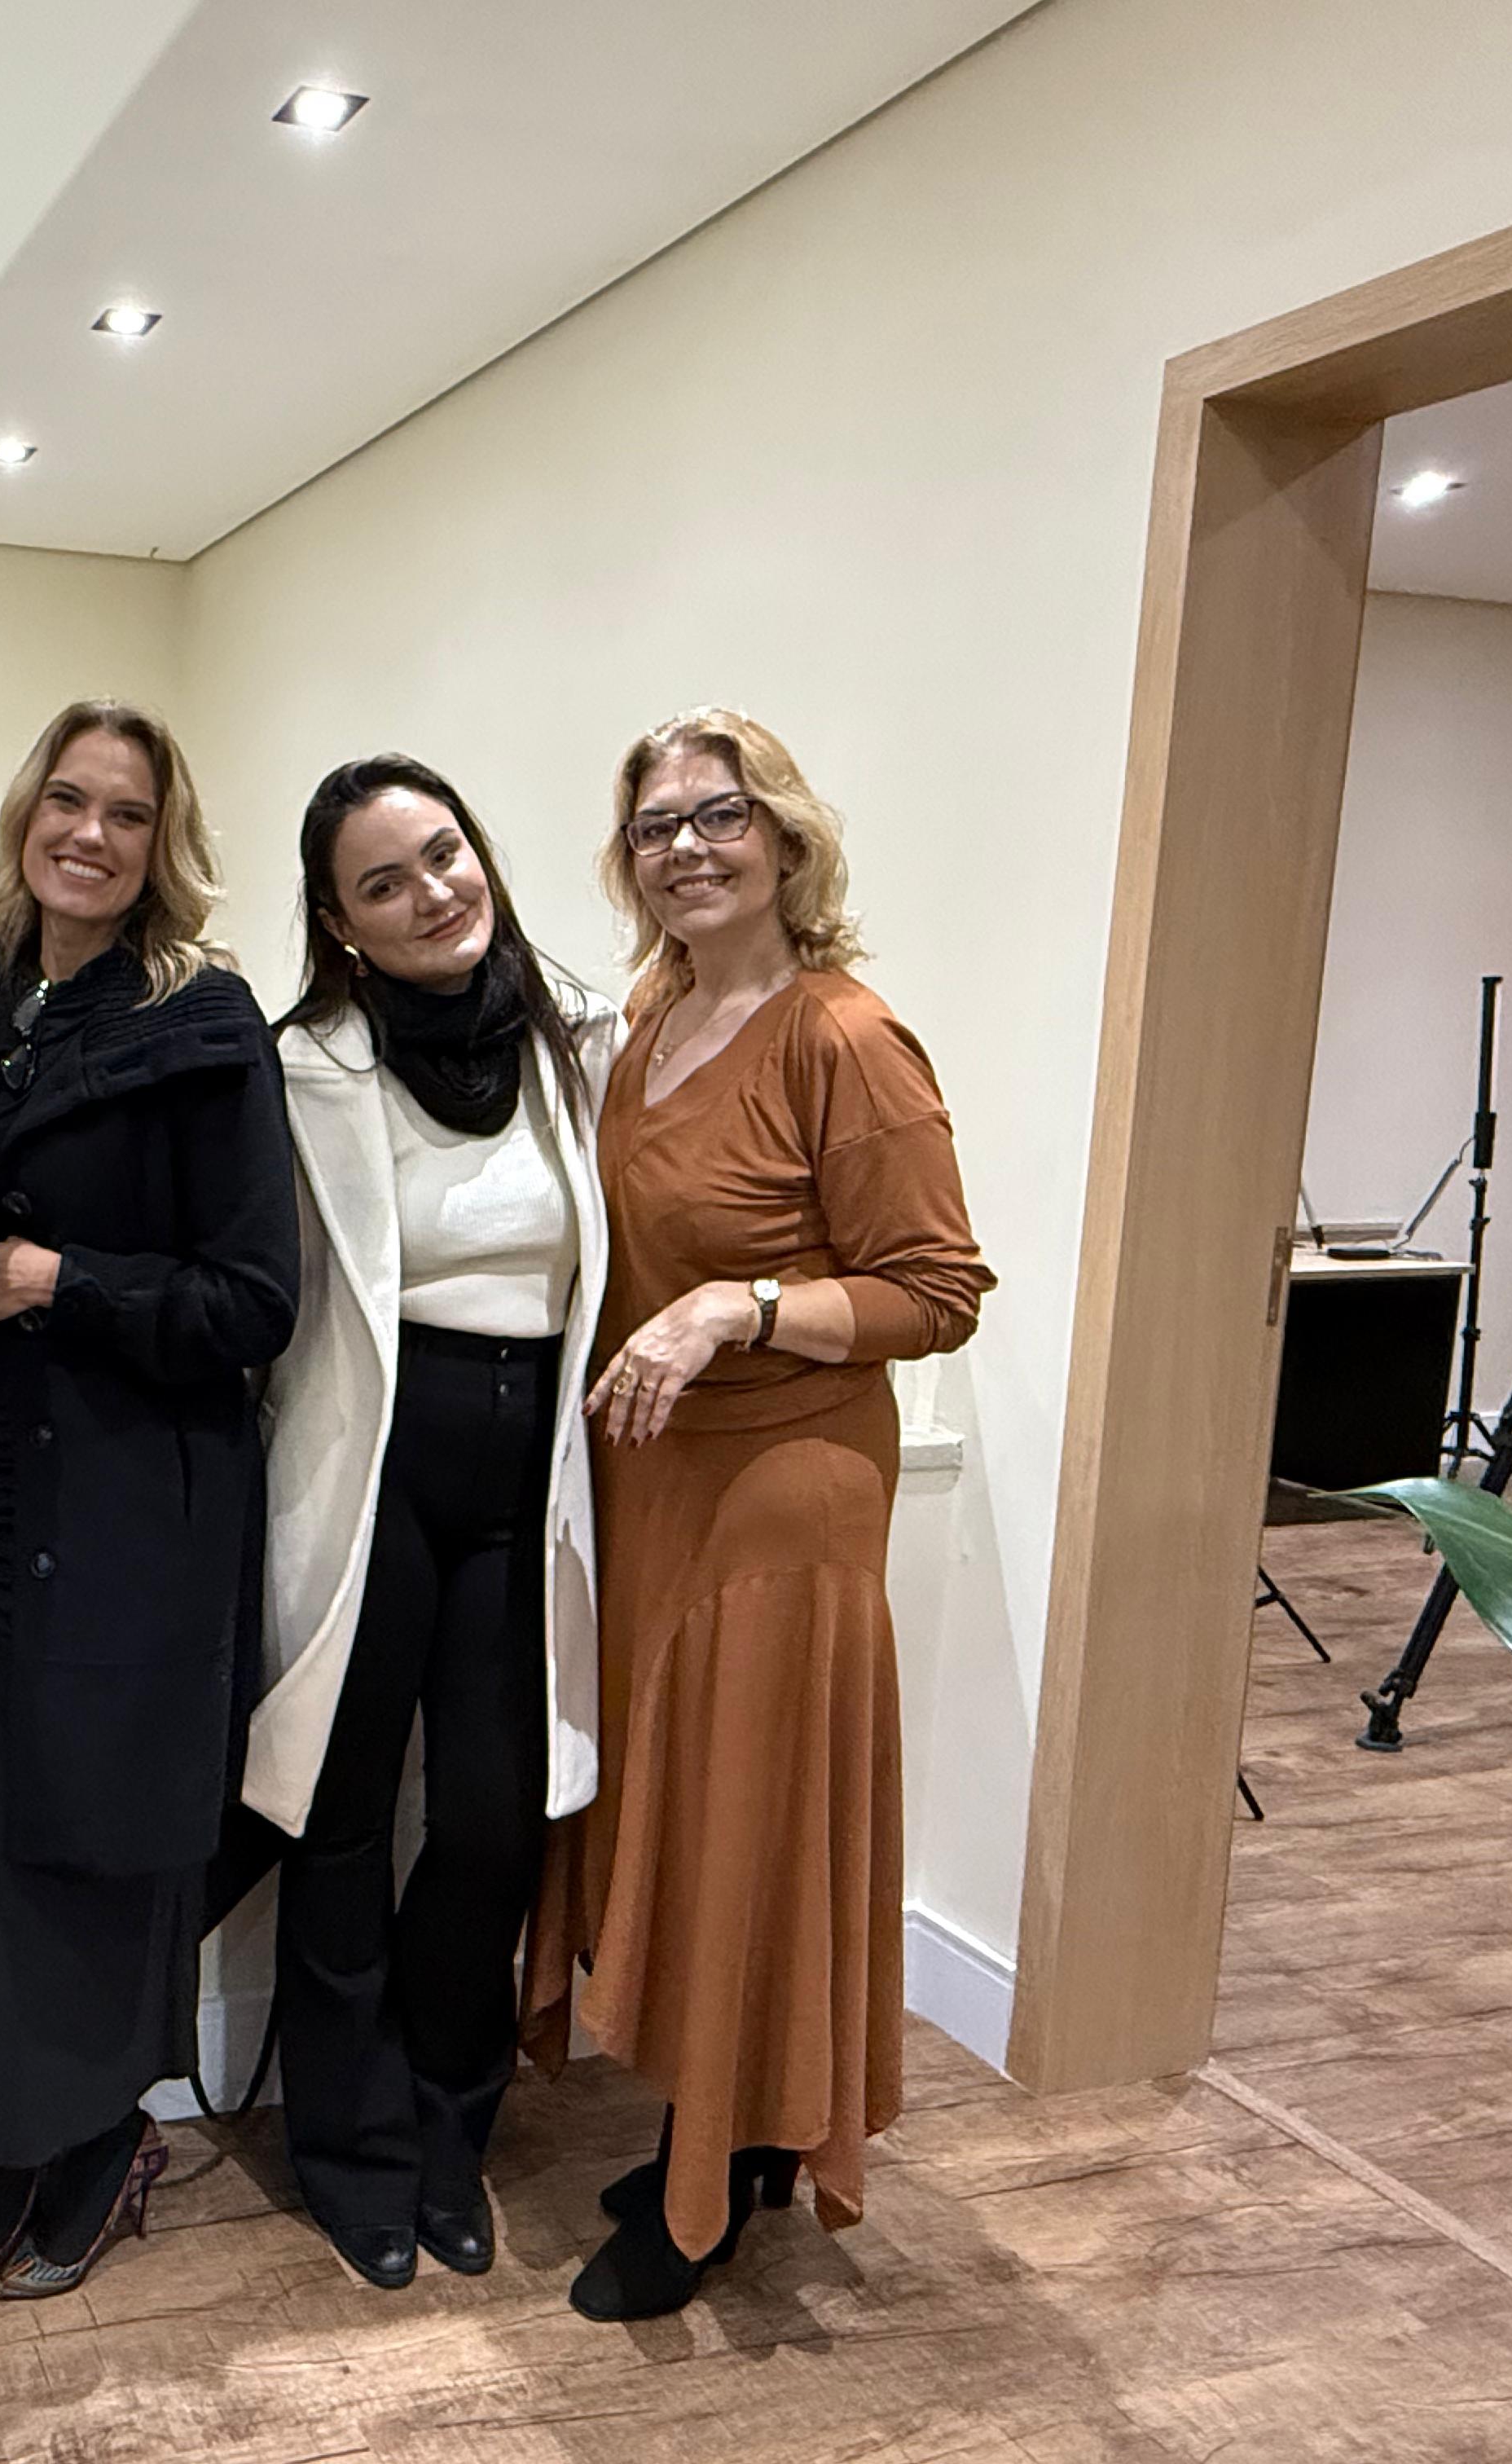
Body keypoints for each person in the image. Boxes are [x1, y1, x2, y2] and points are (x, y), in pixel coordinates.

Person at [534, 706, 991, 2322]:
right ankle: (746, 2124)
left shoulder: (843, 1037)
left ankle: (712, 2180)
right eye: (654, 824)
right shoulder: (651, 1015)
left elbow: (937, 1290)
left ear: (787, 837)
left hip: (782, 1490)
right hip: (655, 1479)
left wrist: (740, 1304)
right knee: (686, 1810)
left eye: (720, 814)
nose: (687, 847)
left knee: (743, 1821)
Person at [0, 703, 299, 2303]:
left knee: (104, 1827)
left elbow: (252, 1299)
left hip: (140, 1490)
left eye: (126, 814)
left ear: (159, 845)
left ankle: (100, 2135)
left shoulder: (201, 1019)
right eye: (65, 800)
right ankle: (1, 2142)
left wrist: (54, 1277)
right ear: (25, 816)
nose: (88, 833)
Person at [248, 755, 618, 2291]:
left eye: (443, 854)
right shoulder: (301, 1067)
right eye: (382, 883)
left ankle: (448, 2126)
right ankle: (349, 2147)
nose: (429, 895)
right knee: (337, 1818)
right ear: (340, 923)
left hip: (525, 1475)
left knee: (489, 1819)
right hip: (371, 1466)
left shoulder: (577, 1038)